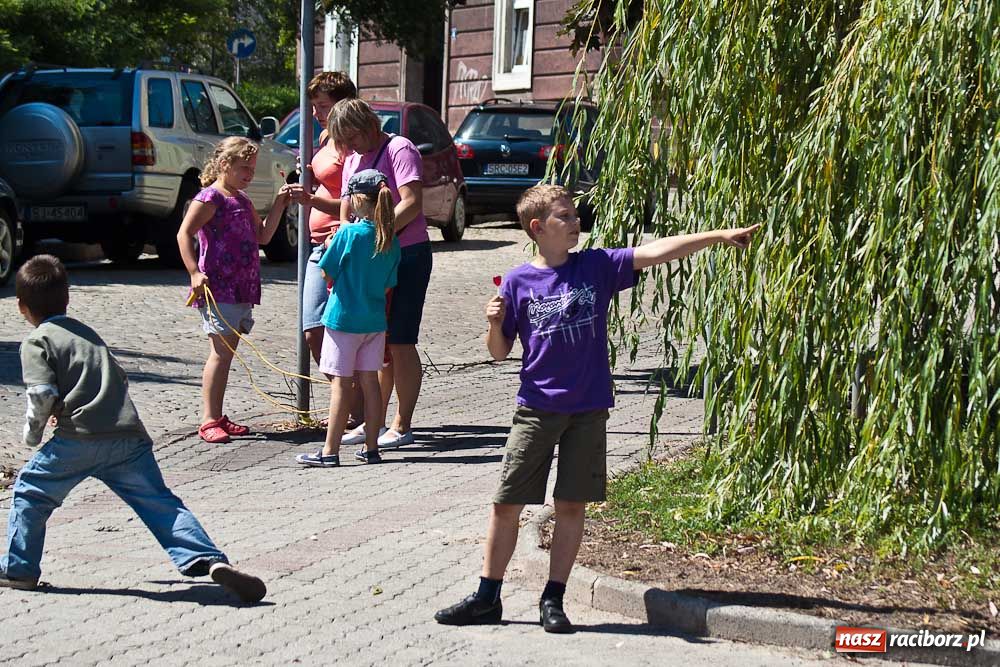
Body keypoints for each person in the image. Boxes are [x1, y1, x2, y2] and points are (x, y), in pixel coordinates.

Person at [433, 185, 760, 633]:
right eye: (564, 217)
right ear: (537, 228)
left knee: (571, 505)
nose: (575, 222)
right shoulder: (517, 282)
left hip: (588, 409)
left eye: (574, 214)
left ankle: (554, 598)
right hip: (536, 409)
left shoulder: (596, 266)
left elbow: (655, 252)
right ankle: (487, 597)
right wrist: (493, 322)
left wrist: (717, 235)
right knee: (507, 503)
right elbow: (498, 351)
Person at [0, 255, 266, 604]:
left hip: (77, 439)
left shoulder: (38, 341)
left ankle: (19, 570)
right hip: (128, 437)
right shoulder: (87, 334)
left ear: (21, 307)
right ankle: (208, 559)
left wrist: (33, 436)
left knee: (31, 492)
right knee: (160, 503)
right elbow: (118, 377)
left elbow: (41, 394)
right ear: (67, 298)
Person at [328, 98, 431, 451]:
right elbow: (346, 208)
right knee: (380, 342)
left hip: (408, 254)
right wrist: (347, 240)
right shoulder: (354, 159)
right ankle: (376, 421)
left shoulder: (400, 149)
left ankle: (403, 424)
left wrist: (377, 233)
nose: (349, 147)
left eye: (351, 138)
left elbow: (412, 201)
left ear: (368, 125)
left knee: (401, 340)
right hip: (370, 258)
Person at [176, 136, 291, 444]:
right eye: (244, 168)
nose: (249, 175)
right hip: (219, 287)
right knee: (219, 354)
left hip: (241, 287)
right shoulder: (210, 198)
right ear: (224, 165)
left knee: (226, 355)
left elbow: (263, 236)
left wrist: (280, 203)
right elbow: (184, 233)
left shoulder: (242, 199)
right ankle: (209, 419)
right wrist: (194, 272)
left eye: (252, 169)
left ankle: (218, 414)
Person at [295, 169, 401, 467]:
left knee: (341, 384)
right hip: (374, 320)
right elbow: (389, 283)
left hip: (343, 319)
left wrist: (330, 247)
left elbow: (327, 271)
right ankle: (371, 448)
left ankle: (329, 451)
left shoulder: (348, 233)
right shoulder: (390, 239)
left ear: (355, 200)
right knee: (370, 382)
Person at [284, 72, 358, 372]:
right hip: (317, 244)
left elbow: (353, 203)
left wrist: (310, 199)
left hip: (340, 243)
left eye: (323, 106)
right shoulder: (326, 137)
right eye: (313, 106)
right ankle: (350, 402)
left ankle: (358, 405)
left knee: (345, 329)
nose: (316, 114)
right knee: (313, 328)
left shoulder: (351, 144)